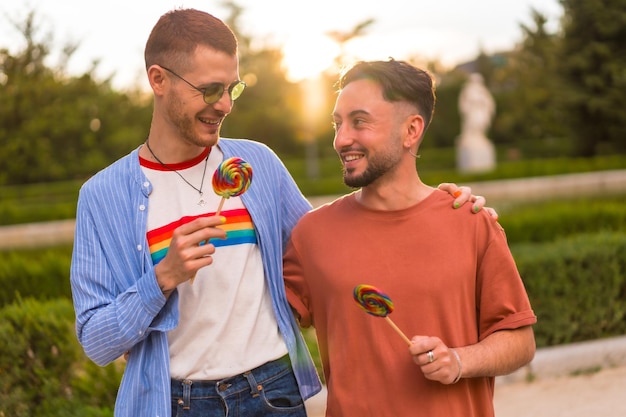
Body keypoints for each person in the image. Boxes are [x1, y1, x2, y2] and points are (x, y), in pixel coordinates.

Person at [70, 9, 490, 417]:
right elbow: (96, 341)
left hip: (272, 393)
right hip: (176, 403)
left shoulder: (259, 165)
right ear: (158, 80)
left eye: (232, 89)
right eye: (209, 89)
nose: (224, 106)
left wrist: (433, 203)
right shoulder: (103, 197)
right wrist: (161, 280)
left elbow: (332, 245)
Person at [283, 59, 537, 417]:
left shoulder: (471, 222)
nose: (342, 139)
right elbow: (257, 319)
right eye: (337, 124)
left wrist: (458, 360)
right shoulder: (311, 234)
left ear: (411, 130)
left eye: (360, 122)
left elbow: (520, 342)